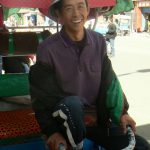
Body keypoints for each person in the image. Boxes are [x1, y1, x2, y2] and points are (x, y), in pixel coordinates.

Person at [29, 0, 136, 149]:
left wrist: (123, 112)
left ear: (87, 9)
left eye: (80, 6)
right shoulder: (47, 49)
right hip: (65, 125)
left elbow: (110, 83)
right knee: (73, 104)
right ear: (59, 15)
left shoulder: (99, 41)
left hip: (97, 121)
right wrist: (51, 131)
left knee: (140, 145)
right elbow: (41, 98)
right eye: (68, 8)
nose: (76, 13)